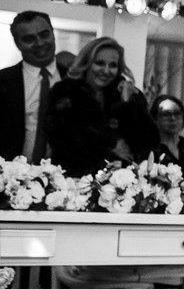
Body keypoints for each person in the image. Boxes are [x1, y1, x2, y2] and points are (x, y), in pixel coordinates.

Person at [45, 36, 157, 177]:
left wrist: (127, 103)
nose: (106, 70)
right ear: (87, 63)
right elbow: (61, 135)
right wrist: (111, 143)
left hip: (120, 181)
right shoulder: (65, 91)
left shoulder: (129, 94)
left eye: (113, 65)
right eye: (99, 63)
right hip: (73, 178)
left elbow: (150, 141)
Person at [0, 11, 71, 164]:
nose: (39, 43)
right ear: (17, 43)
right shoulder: (3, 82)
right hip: (8, 173)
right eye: (29, 39)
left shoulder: (73, 80)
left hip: (64, 174)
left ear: (53, 34)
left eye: (44, 35)